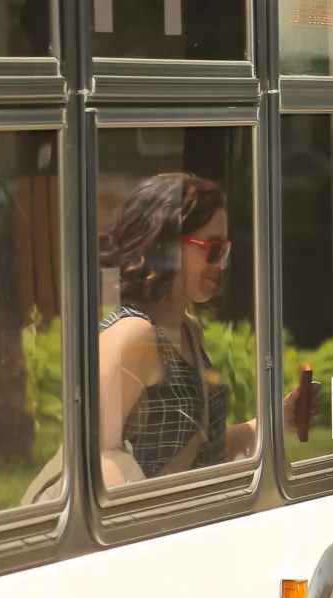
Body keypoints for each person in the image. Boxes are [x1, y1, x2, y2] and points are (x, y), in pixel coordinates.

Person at [98, 172, 314, 485]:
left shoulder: (190, 331)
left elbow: (205, 449)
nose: (220, 264)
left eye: (224, 251)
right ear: (165, 244)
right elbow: (96, 459)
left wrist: (282, 419)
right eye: (212, 249)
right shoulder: (131, 334)